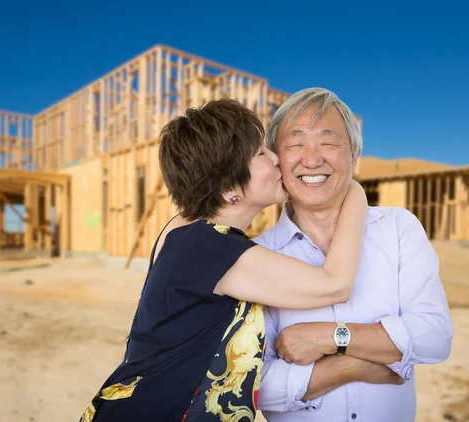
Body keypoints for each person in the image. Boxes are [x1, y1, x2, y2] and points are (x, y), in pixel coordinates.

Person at [80, 98, 368, 422]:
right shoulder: (211, 248)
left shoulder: (183, 230)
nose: (276, 159)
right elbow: (335, 285)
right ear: (230, 183)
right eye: (261, 153)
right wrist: (353, 189)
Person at [254, 87, 453, 422]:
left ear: (354, 157)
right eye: (295, 143)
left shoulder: (398, 229)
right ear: (276, 160)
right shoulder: (257, 256)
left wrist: (330, 337)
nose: (312, 159)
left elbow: (434, 337)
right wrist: (350, 366)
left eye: (328, 143)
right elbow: (255, 386)